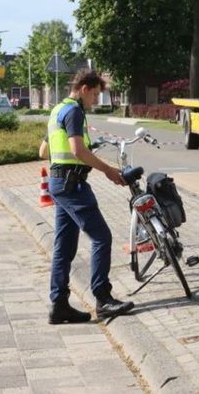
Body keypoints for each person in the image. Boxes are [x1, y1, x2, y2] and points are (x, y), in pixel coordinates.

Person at [45, 68, 133, 323]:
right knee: (101, 237)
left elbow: (43, 150)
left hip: (59, 183)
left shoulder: (57, 110)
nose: (95, 101)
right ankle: (103, 299)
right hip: (73, 186)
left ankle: (59, 305)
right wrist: (107, 170)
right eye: (94, 95)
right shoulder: (74, 111)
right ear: (84, 89)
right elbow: (76, 150)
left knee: (64, 248)